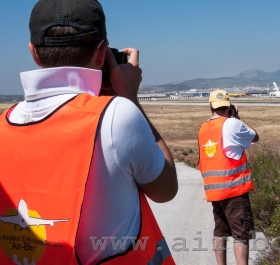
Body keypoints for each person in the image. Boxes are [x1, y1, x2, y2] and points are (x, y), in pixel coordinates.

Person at [0, 0, 177, 264]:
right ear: (102, 52)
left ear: (34, 53)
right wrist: (130, 98)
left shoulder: (3, 123)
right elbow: (165, 190)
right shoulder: (118, 114)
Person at [198, 90, 259, 265]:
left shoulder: (203, 128)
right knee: (241, 234)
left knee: (220, 232)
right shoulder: (231, 124)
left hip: (215, 191)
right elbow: (255, 136)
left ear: (210, 106)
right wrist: (237, 116)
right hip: (234, 190)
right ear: (229, 106)